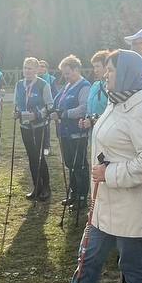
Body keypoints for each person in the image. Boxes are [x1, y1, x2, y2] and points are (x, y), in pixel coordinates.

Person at [33, 49, 142, 283]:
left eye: (110, 70)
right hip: (105, 203)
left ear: (127, 72)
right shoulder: (116, 101)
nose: (105, 75)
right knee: (88, 256)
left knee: (134, 265)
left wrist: (111, 173)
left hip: (130, 204)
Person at [52, 55, 92, 209]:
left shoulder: (84, 86)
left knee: (79, 164)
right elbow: (59, 102)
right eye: (64, 73)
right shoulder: (68, 85)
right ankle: (74, 193)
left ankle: (82, 196)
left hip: (77, 132)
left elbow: (83, 108)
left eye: (68, 72)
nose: (65, 76)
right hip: (64, 132)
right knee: (70, 163)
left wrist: (64, 113)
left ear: (76, 69)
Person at [15, 56, 54, 201]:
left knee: (39, 156)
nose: (27, 71)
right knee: (31, 156)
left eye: (30, 68)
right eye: (25, 67)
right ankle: (36, 186)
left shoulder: (43, 84)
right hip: (24, 125)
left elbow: (49, 106)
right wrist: (17, 112)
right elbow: (17, 103)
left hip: (39, 125)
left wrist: (36, 115)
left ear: (37, 70)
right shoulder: (19, 84)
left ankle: (46, 187)